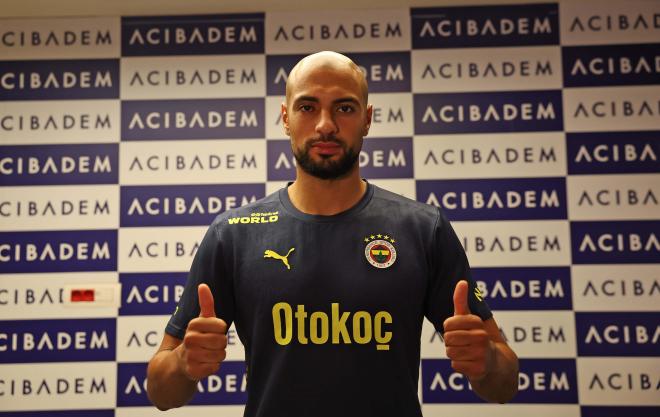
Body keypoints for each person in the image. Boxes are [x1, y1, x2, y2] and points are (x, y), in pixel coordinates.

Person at [146, 51, 519, 415]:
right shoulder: (233, 234)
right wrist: (183, 363)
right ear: (286, 118)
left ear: (368, 118)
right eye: (308, 107)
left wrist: (486, 361)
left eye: (344, 107)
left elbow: (505, 383)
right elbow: (161, 392)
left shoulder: (422, 228)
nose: (325, 124)